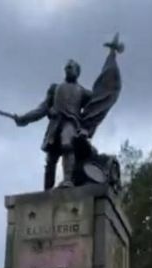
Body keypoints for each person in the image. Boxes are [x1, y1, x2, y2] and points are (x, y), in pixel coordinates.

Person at [15, 59, 93, 190]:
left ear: (77, 72)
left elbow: (94, 106)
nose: (68, 69)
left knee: (67, 144)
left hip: (71, 123)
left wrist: (86, 128)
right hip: (55, 124)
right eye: (67, 67)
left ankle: (67, 180)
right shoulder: (55, 88)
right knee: (51, 158)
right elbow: (42, 109)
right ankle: (47, 188)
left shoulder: (83, 92)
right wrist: (24, 119)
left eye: (71, 67)